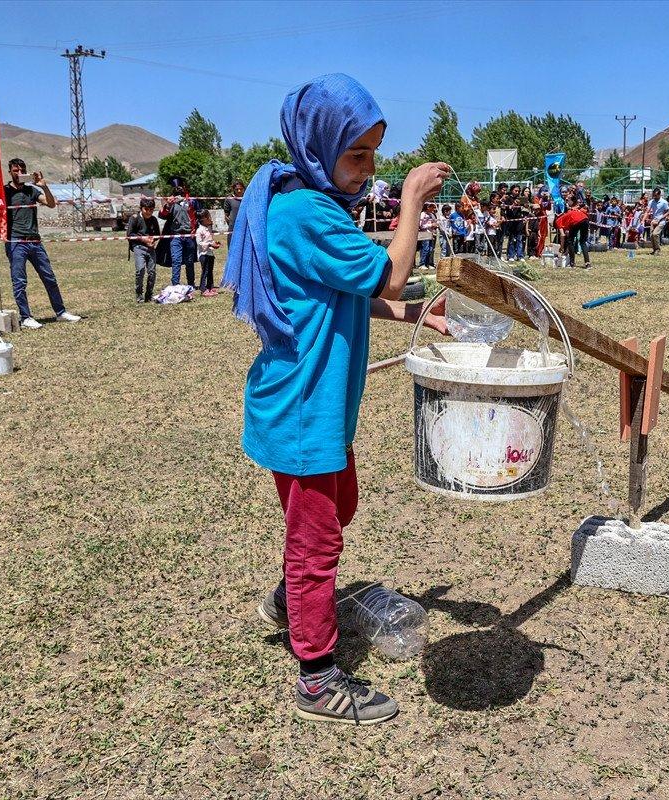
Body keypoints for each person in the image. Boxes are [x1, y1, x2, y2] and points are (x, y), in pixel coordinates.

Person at [224, 73, 450, 726]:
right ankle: (317, 679)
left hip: (307, 408)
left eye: (375, 156)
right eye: (357, 154)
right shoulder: (309, 213)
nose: (367, 170)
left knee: (333, 513)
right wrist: (411, 201)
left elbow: (349, 293)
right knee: (318, 545)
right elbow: (388, 270)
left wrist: (412, 317)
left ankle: (294, 598)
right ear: (318, 145)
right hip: (303, 412)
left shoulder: (304, 204)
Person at [4, 159, 81, 329]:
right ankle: (26, 317)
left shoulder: (32, 190)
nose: (19, 172)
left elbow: (52, 204)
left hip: (35, 241)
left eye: (22, 169)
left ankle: (60, 312)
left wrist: (44, 186)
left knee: (49, 278)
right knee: (19, 281)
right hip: (16, 241)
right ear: (10, 172)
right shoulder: (5, 192)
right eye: (16, 170)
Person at [160, 181, 196, 286]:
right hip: (176, 235)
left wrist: (194, 228)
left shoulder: (191, 201)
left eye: (181, 187)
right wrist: (168, 204)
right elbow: (162, 215)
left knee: (189, 261)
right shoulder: (171, 202)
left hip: (189, 235)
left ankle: (191, 285)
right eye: (177, 188)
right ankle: (175, 285)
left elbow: (197, 215)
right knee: (176, 261)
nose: (179, 189)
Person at [126, 198, 161, 302]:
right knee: (140, 270)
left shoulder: (154, 219)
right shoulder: (134, 218)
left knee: (152, 271)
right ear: (141, 208)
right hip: (138, 247)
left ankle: (149, 294)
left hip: (150, 248)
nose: (149, 212)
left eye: (151, 209)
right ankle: (139, 294)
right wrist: (143, 239)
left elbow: (158, 234)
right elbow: (129, 234)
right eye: (146, 209)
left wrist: (152, 240)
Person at [195, 209, 221, 296]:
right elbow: (199, 243)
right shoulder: (199, 230)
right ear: (203, 219)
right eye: (208, 217)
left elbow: (210, 239)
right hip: (203, 254)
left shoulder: (208, 228)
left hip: (210, 253)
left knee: (210, 271)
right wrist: (210, 244)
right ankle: (203, 289)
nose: (210, 218)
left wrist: (214, 244)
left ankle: (210, 287)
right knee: (205, 271)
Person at [646, 188, 669, 255]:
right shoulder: (651, 202)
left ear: (659, 195)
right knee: (651, 236)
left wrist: (660, 218)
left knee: (655, 234)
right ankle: (654, 250)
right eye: (654, 195)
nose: (654, 197)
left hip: (661, 221)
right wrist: (645, 218)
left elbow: (668, 212)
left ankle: (658, 250)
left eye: (656, 195)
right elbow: (648, 211)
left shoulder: (664, 202)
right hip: (653, 221)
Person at [224, 180, 245, 246]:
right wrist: (231, 224)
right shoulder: (229, 199)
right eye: (237, 189)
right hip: (233, 228)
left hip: (245, 226)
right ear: (233, 189)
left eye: (241, 189)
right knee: (232, 247)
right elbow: (226, 214)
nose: (239, 191)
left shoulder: (247, 198)